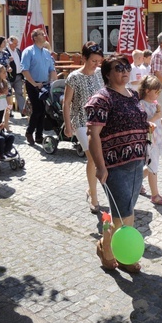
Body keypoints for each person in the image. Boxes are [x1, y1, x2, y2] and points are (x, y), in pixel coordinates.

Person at [86, 55, 149, 273]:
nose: (124, 71)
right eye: (118, 68)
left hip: (136, 163)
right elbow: (93, 134)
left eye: (126, 67)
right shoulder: (102, 98)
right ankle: (119, 254)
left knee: (123, 214)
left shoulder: (132, 95)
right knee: (125, 217)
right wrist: (101, 167)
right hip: (115, 166)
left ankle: (108, 248)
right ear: (107, 73)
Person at [63, 41, 104, 214]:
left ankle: (91, 190)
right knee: (93, 158)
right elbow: (66, 103)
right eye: (93, 61)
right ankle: (93, 195)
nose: (96, 64)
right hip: (81, 121)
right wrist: (67, 125)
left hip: (100, 121)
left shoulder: (100, 74)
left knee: (99, 157)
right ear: (84, 58)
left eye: (98, 61)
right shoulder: (74, 77)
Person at [138, 76, 162, 206]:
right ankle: (155, 195)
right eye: (156, 92)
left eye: (159, 92)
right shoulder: (141, 104)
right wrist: (156, 116)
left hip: (157, 140)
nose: (158, 95)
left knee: (153, 165)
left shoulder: (154, 104)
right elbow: (143, 124)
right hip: (148, 140)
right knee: (153, 167)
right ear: (147, 90)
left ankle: (136, 182)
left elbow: (157, 121)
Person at [20, 28, 57, 146]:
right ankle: (29, 132)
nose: (44, 35)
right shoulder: (29, 51)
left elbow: (52, 69)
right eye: (41, 34)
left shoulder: (46, 52)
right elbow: (24, 70)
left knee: (43, 111)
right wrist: (34, 83)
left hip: (45, 84)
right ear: (35, 38)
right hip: (33, 84)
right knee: (37, 110)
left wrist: (53, 82)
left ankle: (39, 136)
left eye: (44, 33)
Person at [5, 36, 26, 116]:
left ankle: (23, 111)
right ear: (9, 42)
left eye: (17, 43)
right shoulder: (5, 52)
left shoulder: (18, 51)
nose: (16, 45)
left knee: (19, 93)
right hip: (9, 77)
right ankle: (9, 112)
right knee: (8, 95)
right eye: (14, 43)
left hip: (18, 76)